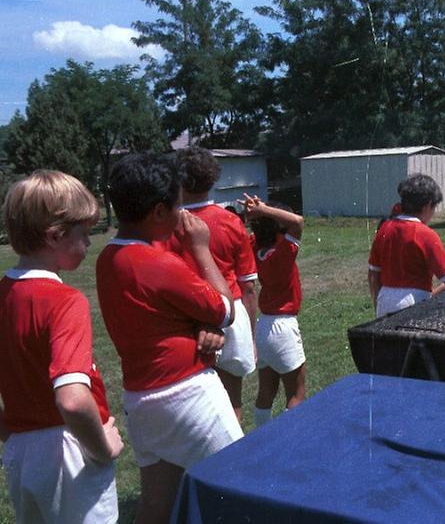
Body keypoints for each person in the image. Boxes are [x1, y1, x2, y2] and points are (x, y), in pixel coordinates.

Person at [97, 153, 243, 523]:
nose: (183, 215)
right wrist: (200, 248)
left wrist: (196, 324)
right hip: (187, 395)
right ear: (159, 211)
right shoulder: (158, 264)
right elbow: (226, 309)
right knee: (239, 485)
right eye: (178, 206)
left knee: (157, 504)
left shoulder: (108, 258)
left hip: (142, 399)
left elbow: (161, 311)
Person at [0, 170, 124, 523]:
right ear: (55, 237)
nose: (87, 244)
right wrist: (102, 448)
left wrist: (13, 436)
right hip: (71, 450)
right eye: (83, 235)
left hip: (23, 452)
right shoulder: (64, 301)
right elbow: (71, 398)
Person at [164, 147, 258, 422]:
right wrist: (251, 334)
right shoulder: (230, 221)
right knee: (232, 404)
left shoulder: (167, 225)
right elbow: (248, 286)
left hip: (186, 319)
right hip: (230, 313)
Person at [369, 174, 445, 317]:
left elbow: (373, 275)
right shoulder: (426, 234)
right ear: (428, 205)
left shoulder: (385, 229)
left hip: (384, 299)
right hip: (413, 302)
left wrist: (378, 305)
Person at [241, 196, 307, 423]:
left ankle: (262, 437)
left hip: (264, 326)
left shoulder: (255, 246)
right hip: (284, 326)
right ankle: (293, 441)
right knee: (297, 393)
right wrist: (265, 210)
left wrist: (257, 214)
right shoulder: (283, 252)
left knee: (266, 392)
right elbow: (297, 222)